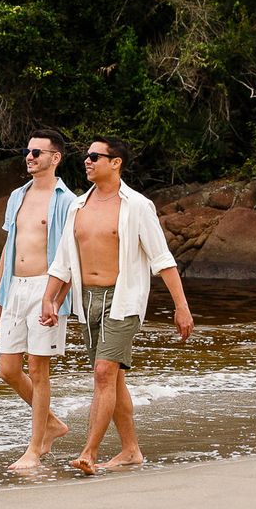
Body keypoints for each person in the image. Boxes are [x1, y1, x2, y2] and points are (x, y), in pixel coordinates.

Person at [40, 137, 194, 475]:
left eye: (95, 156)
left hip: (122, 299)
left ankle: (89, 452)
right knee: (114, 379)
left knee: (103, 373)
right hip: (87, 300)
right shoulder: (77, 206)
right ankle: (130, 450)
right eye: (86, 157)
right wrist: (49, 299)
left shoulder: (137, 206)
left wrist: (180, 306)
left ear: (116, 162)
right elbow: (63, 261)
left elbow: (162, 259)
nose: (88, 162)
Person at [0, 129, 77, 472]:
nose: (30, 156)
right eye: (28, 151)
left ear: (55, 158)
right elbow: (8, 249)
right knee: (8, 369)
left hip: (46, 289)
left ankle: (34, 450)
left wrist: (55, 299)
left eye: (37, 152)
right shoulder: (17, 196)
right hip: (14, 289)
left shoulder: (67, 201)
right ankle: (52, 423)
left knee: (39, 371)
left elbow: (71, 257)